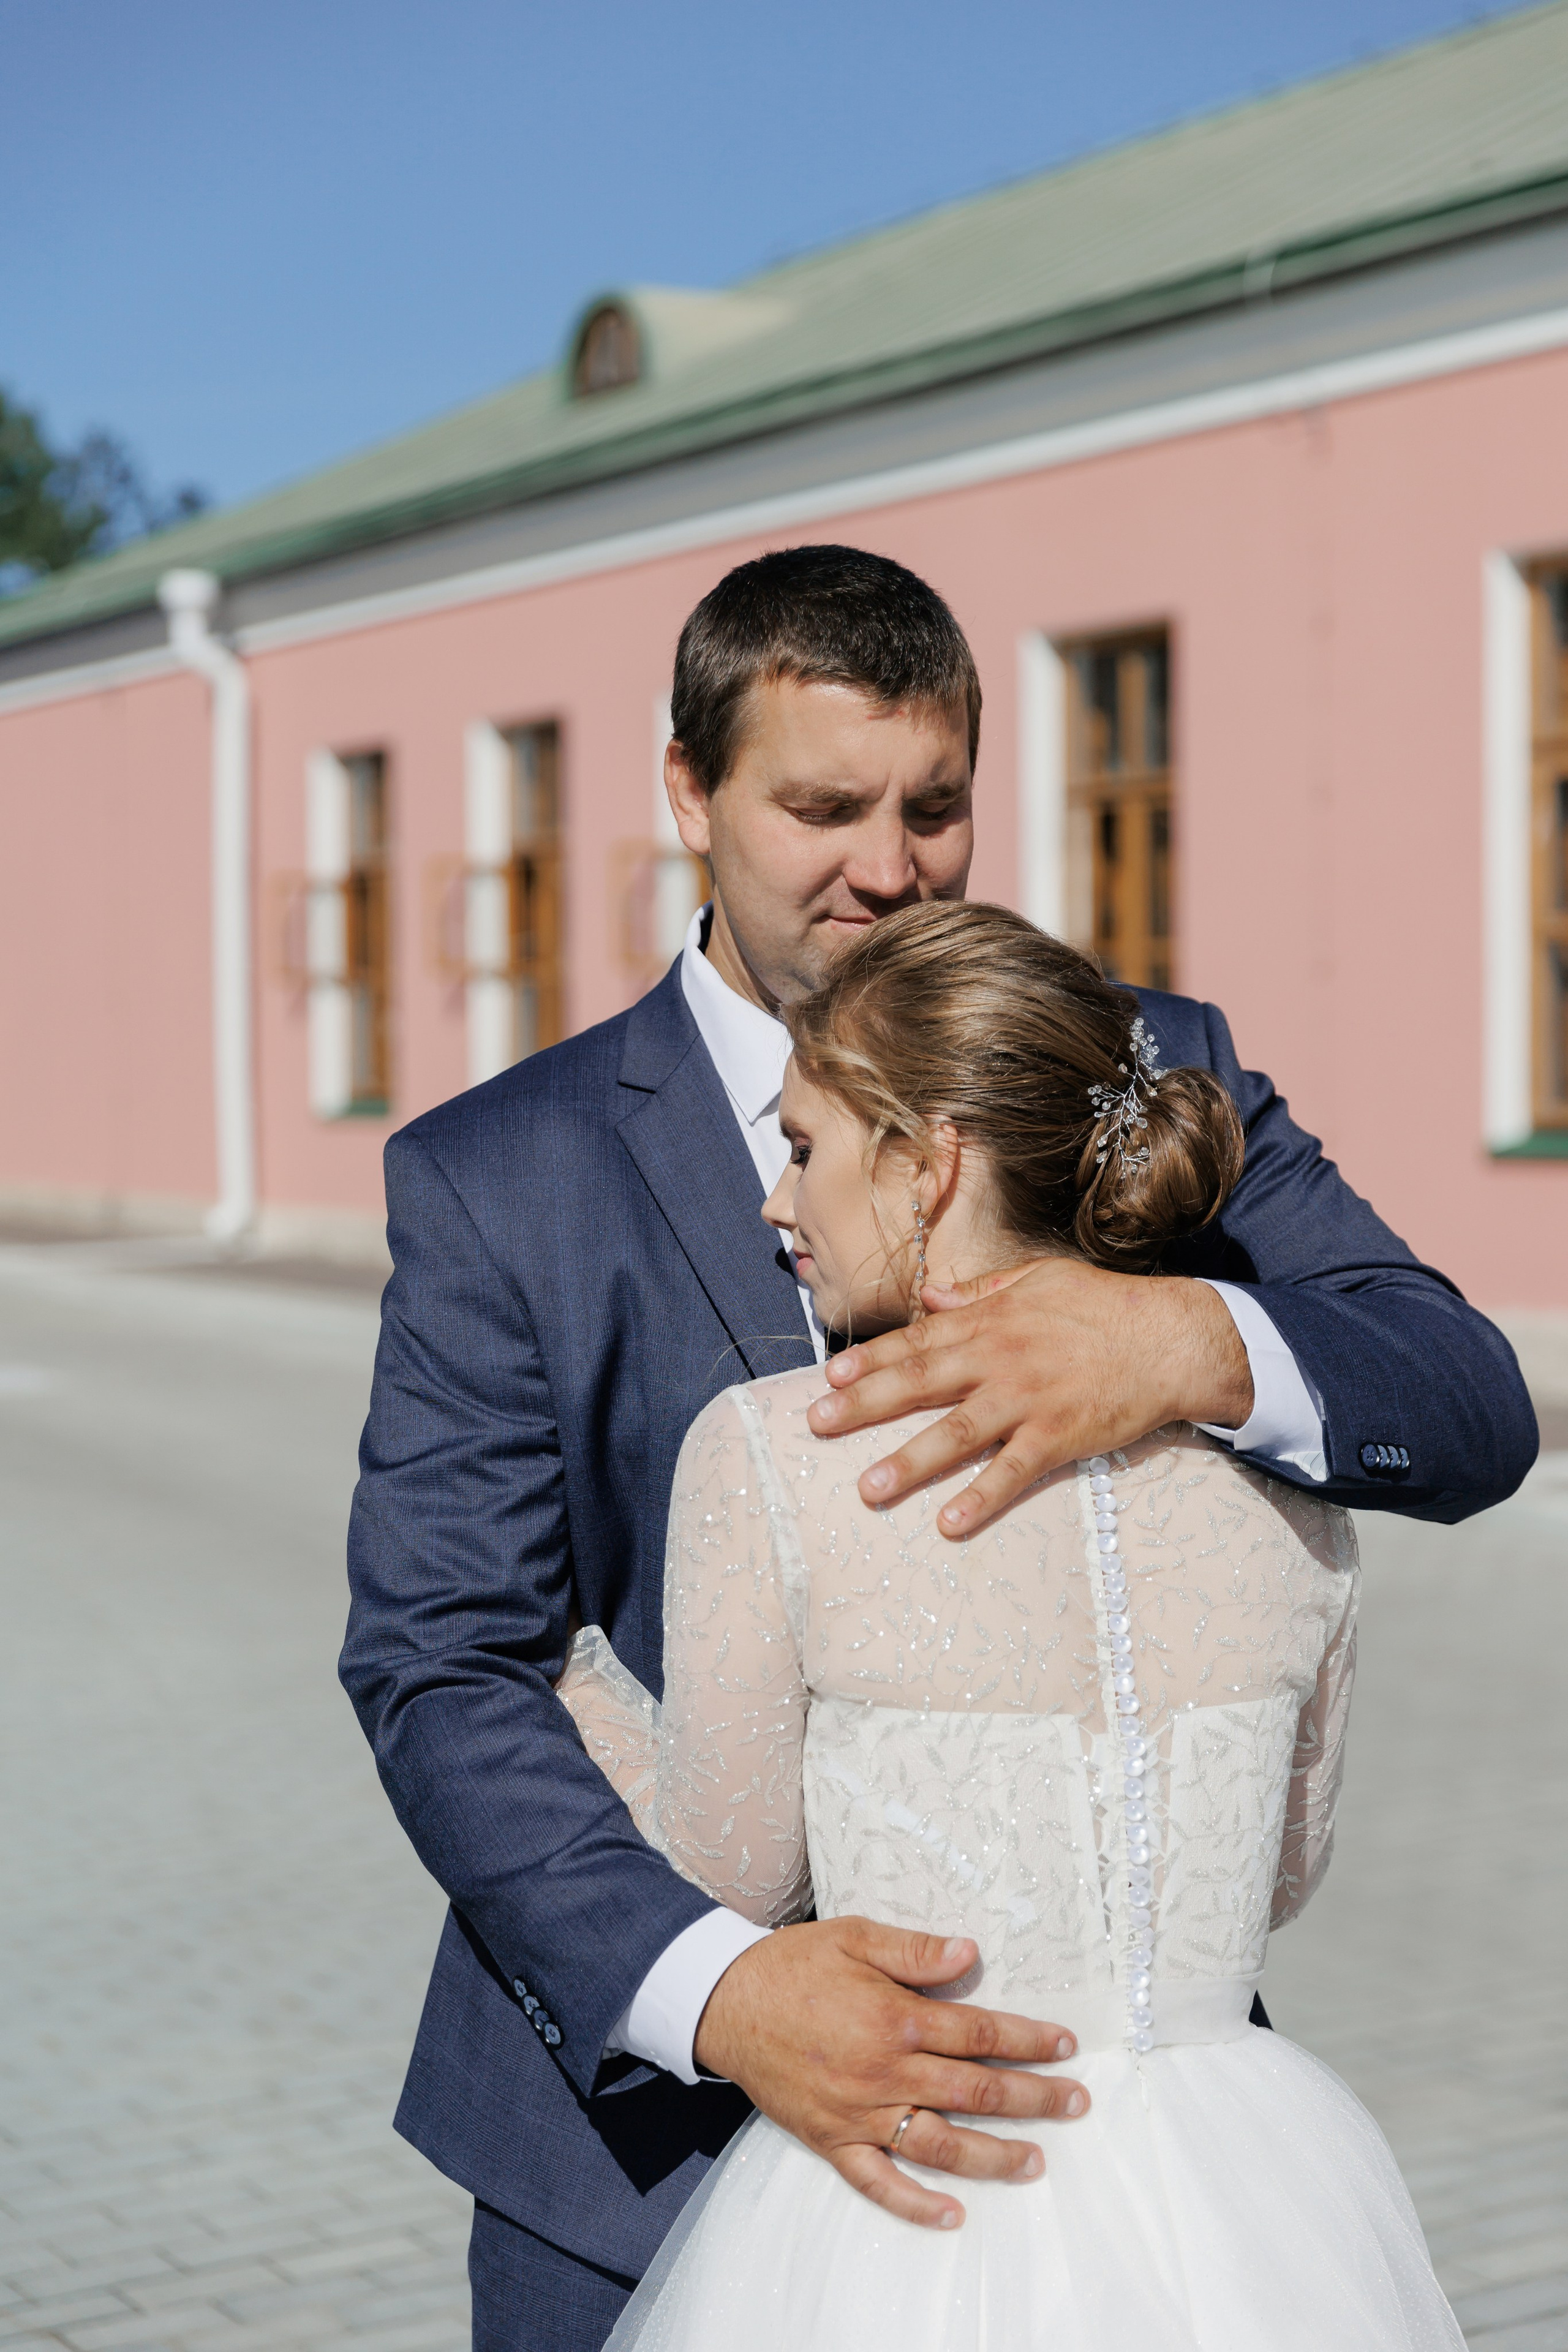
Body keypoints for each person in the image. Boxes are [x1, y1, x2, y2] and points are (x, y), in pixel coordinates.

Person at [340, 546, 1533, 2352]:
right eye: (824, 807)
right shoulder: (504, 1174)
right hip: (639, 2155)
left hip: (1098, 2179)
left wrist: (1184, 1334)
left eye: (938, 806)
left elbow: (1463, 1401)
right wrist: (720, 1993)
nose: (889, 868)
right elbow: (442, 1660)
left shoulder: (1140, 1066)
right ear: (689, 788)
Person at [555, 896, 1464, 2350]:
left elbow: (732, 1869)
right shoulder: (1289, 1491)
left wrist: (580, 1693)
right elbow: (1280, 1879)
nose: (773, 1201)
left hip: (913, 2222)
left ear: (924, 1165)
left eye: (801, 1147)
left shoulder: (771, 1452)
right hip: (1241, 2210)